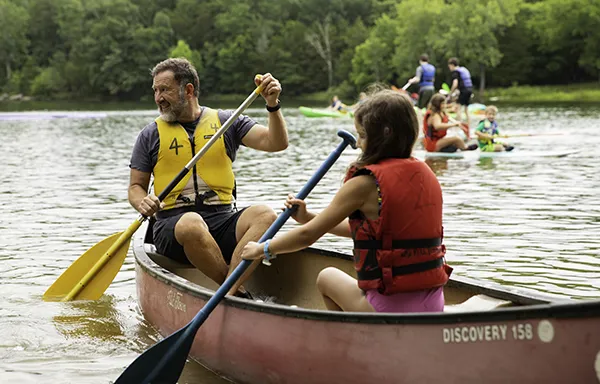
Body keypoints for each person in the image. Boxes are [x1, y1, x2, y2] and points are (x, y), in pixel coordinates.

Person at [241, 90, 453, 313]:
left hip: (389, 307)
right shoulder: (425, 173)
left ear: (384, 135)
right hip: (433, 302)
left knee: (326, 277)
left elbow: (308, 236)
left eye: (362, 135)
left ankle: (348, 340)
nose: (359, 143)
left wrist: (261, 249)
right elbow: (369, 231)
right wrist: (309, 217)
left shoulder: (363, 184)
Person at [128, 58, 288, 297]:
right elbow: (135, 187)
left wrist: (272, 105)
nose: (158, 98)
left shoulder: (227, 122)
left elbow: (276, 143)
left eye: (165, 89)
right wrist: (142, 201)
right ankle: (234, 288)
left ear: (188, 89)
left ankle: (231, 292)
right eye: (156, 91)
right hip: (173, 228)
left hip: (221, 219)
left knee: (266, 215)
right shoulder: (150, 135)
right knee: (192, 223)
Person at [447, 57, 473, 123]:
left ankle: (459, 124)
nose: (449, 68)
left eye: (449, 66)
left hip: (464, 91)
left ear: (452, 65)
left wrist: (450, 93)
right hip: (470, 89)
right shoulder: (464, 69)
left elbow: (455, 84)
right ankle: (468, 124)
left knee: (458, 108)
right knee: (466, 109)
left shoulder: (455, 72)